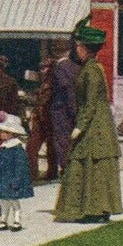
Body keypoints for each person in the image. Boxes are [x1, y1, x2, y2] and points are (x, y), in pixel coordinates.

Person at [53, 25, 123, 223]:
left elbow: (90, 103)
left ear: (84, 48)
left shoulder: (91, 71)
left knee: (89, 163)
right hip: (98, 122)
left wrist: (79, 127)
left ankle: (93, 209)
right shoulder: (93, 68)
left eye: (78, 46)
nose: (76, 49)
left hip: (95, 125)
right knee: (94, 166)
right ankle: (95, 209)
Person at [0, 112, 34, 231]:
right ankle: (3, 219)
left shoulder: (17, 148)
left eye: (5, 132)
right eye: (1, 131)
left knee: (13, 200)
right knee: (2, 200)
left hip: (11, 179)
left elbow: (20, 166)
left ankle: (17, 219)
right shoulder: (3, 147)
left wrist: (17, 180)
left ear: (12, 133)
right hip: (2, 179)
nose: (2, 134)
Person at [48, 43, 80, 175]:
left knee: (62, 140)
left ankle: (66, 169)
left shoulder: (59, 69)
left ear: (55, 52)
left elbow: (65, 88)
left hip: (61, 110)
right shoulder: (76, 67)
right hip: (73, 109)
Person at [27, 53, 57, 181]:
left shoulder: (52, 83)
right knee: (31, 148)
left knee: (51, 149)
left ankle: (51, 173)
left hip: (48, 119)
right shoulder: (43, 82)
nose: (42, 71)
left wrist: (27, 98)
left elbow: (43, 100)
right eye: (41, 68)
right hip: (40, 119)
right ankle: (32, 173)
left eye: (44, 68)